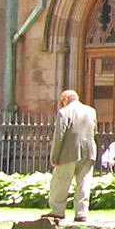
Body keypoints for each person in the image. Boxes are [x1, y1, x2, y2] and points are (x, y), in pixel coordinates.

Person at [49, 90, 98, 222]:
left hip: (68, 152)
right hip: (89, 152)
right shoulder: (91, 111)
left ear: (65, 99)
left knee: (61, 182)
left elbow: (59, 136)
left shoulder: (64, 112)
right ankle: (81, 213)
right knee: (84, 183)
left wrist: (54, 156)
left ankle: (57, 211)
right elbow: (95, 131)